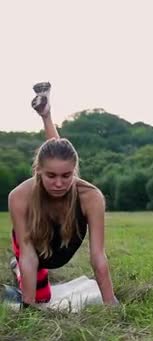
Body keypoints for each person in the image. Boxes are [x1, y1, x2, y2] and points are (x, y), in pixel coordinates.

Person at [8, 82, 118, 307]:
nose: (59, 183)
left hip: (61, 246)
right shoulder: (19, 196)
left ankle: (46, 114)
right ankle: (16, 268)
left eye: (67, 176)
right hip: (35, 248)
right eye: (50, 176)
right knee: (40, 298)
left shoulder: (91, 197)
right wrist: (27, 303)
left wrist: (110, 302)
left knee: (57, 157)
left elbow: (97, 255)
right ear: (38, 171)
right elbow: (29, 254)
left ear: (75, 171)